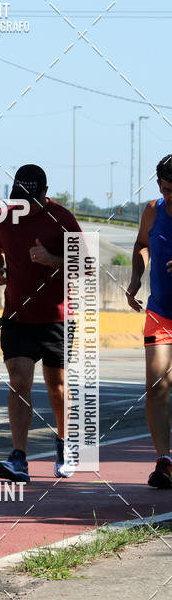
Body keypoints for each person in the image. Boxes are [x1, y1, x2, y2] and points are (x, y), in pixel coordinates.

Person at [0, 164, 82, 482]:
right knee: (19, 381)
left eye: (32, 199)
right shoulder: (6, 216)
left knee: (56, 387)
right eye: (20, 199)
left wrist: (52, 259)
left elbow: (87, 265)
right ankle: (18, 458)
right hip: (17, 316)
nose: (25, 206)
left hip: (56, 318)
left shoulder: (63, 219)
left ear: (45, 193)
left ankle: (65, 445)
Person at [126, 153, 172, 488]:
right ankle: (164, 460)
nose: (169, 196)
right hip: (160, 312)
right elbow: (143, 245)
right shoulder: (153, 210)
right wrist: (135, 279)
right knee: (156, 386)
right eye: (165, 188)